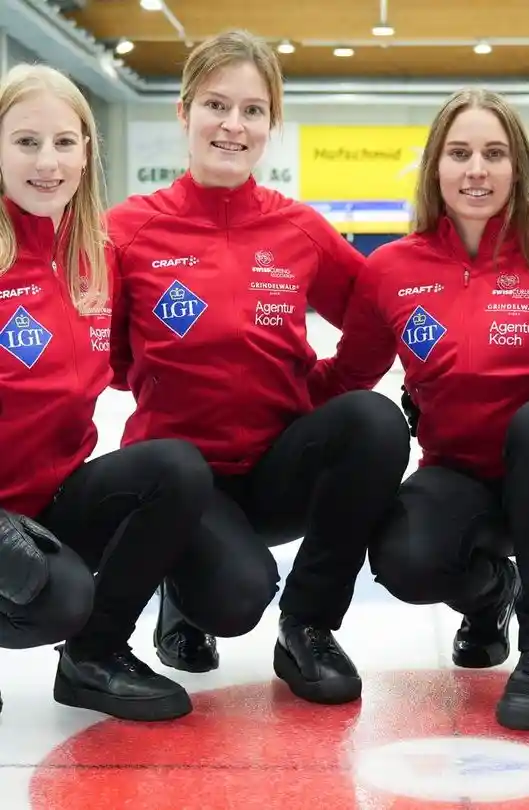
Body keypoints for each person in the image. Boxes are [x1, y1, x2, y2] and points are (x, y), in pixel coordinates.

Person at [307, 87, 529, 731]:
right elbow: (348, 374)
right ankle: (491, 594)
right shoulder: (392, 269)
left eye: (493, 153)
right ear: (435, 167)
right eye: (459, 153)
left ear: (517, 166)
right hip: (459, 474)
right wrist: (262, 396)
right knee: (407, 560)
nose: (476, 169)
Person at [107, 29, 410, 705]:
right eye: (216, 105)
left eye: (252, 110)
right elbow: (105, 352)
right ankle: (181, 586)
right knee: (234, 599)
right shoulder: (127, 230)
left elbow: (375, 316)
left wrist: (324, 387)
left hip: (276, 470)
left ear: (271, 123)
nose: (233, 125)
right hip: (182, 483)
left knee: (374, 421)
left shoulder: (298, 229)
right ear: (184, 112)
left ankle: (308, 627)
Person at [0, 63, 215, 722]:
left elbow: (125, 365)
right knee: (56, 595)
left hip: (50, 502)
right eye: (26, 141)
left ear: (87, 152)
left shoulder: (95, 257)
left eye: (64, 142)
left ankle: (93, 659)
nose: (48, 161)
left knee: (174, 467)